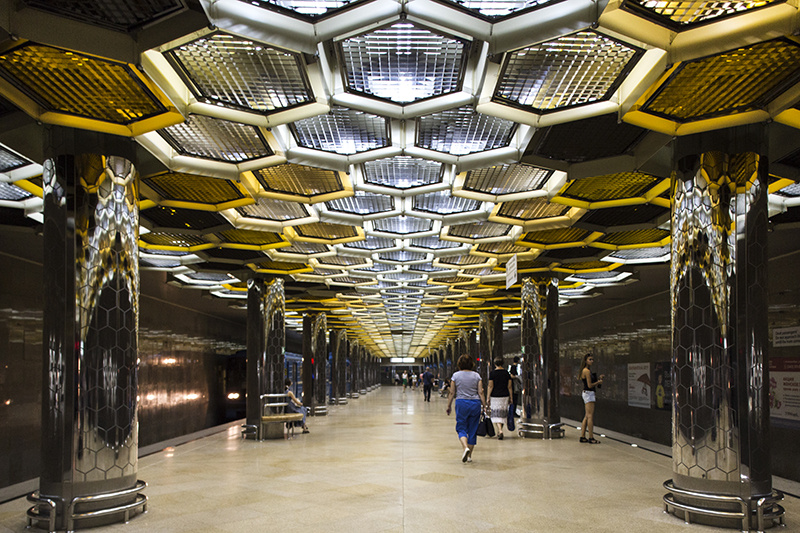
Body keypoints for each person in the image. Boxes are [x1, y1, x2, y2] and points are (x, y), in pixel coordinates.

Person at [445, 354, 487, 463]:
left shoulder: (455, 376)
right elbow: (480, 392)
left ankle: (465, 447)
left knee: (461, 427)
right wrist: (485, 405)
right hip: (475, 403)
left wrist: (448, 405)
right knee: (473, 429)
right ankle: (469, 456)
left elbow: (452, 392)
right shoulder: (477, 376)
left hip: (461, 403)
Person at [579, 354, 604, 444]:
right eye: (590, 359)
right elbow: (589, 385)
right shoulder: (586, 371)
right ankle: (591, 437)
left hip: (587, 393)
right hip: (589, 394)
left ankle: (582, 436)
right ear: (585, 360)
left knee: (586, 416)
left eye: (592, 359)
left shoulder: (587, 370)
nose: (592, 361)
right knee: (590, 416)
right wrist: (598, 382)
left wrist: (598, 379)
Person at [486, 357, 513, 440]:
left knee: (496, 413)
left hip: (495, 396)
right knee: (503, 413)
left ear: (494, 364)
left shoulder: (492, 373)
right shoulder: (506, 373)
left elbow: (490, 386)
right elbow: (509, 386)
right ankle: (500, 430)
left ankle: (500, 430)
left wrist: (488, 397)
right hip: (505, 395)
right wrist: (511, 397)